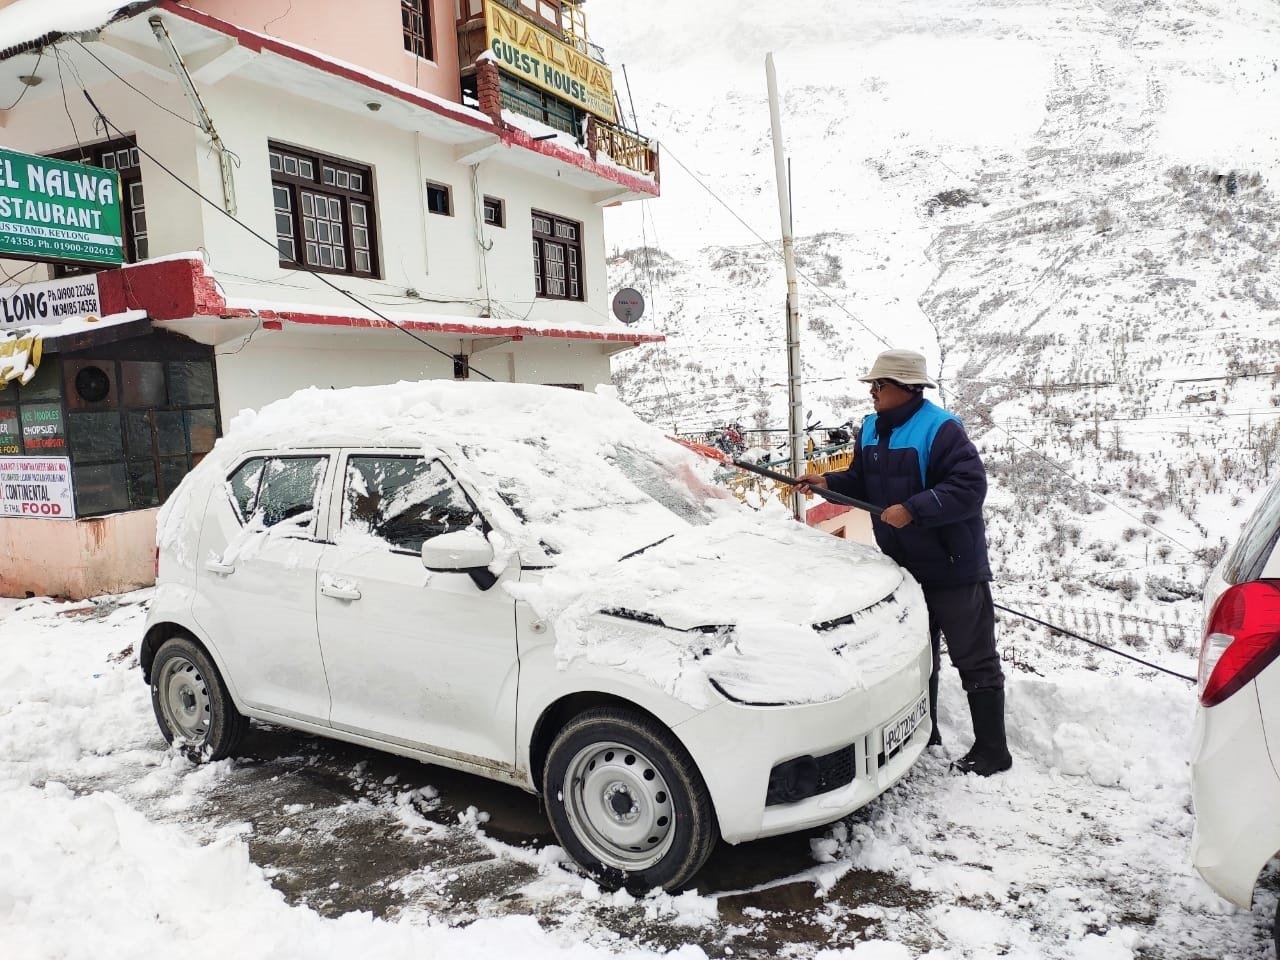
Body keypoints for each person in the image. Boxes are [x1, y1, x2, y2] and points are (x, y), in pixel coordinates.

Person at [795, 349, 1011, 776]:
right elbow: (860, 481)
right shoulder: (871, 428)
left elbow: (970, 488)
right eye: (872, 386)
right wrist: (827, 483)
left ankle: (993, 750)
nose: (872, 393)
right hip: (903, 568)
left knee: (975, 657)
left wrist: (915, 508)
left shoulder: (941, 429)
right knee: (919, 654)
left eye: (879, 386)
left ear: (907, 389)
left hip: (953, 566)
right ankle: (925, 732)